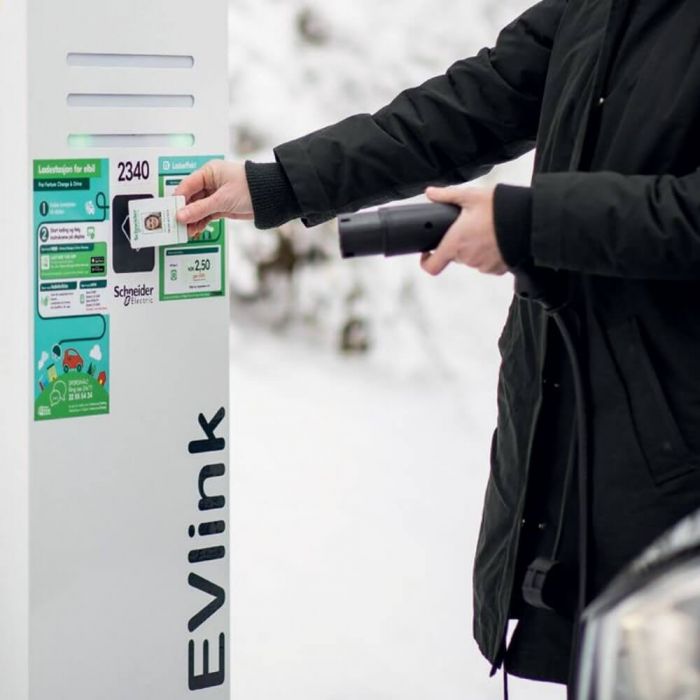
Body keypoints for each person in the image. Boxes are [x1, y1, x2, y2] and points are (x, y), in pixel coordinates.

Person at [176, 0, 700, 693]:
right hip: (582, 455)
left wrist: (532, 224)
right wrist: (278, 182)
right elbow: (468, 106)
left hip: (677, 468)